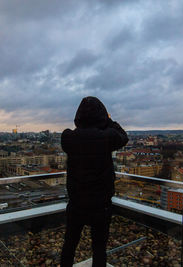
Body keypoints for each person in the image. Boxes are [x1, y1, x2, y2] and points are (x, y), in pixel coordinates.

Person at [60, 96, 128, 267]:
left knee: (69, 244)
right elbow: (123, 136)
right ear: (102, 116)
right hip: (100, 205)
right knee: (99, 248)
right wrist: (109, 120)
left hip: (76, 203)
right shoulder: (106, 138)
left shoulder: (68, 137)